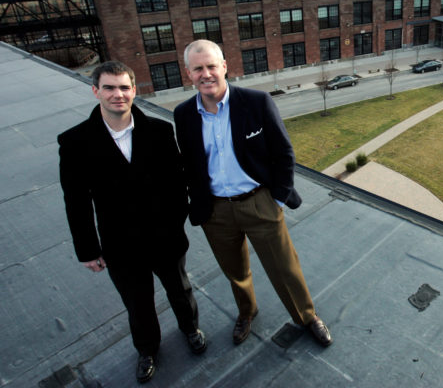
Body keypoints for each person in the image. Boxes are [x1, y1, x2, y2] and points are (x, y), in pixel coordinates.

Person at [174, 40, 332, 348]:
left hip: (259, 202)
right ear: (189, 73)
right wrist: (198, 204)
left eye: (211, 66)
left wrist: (277, 197)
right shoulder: (183, 114)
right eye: (198, 69)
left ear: (224, 67)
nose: (205, 74)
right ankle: (247, 312)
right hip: (216, 212)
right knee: (235, 272)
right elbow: (190, 164)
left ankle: (306, 317)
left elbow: (284, 152)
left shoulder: (256, 102)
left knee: (285, 268)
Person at [58, 61, 206, 384]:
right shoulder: (74, 142)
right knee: (138, 304)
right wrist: (87, 249)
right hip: (120, 245)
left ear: (134, 91)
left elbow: (178, 182)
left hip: (165, 238)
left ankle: (190, 329)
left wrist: (174, 222)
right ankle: (148, 349)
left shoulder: (160, 130)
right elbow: (76, 202)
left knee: (180, 290)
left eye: (124, 87)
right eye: (109, 88)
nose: (118, 95)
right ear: (95, 91)